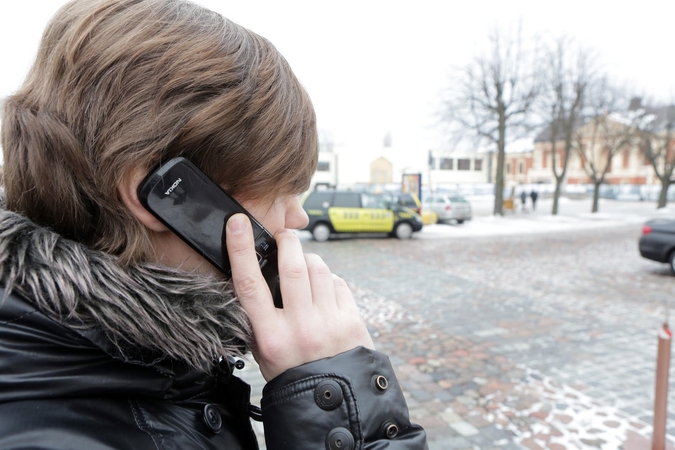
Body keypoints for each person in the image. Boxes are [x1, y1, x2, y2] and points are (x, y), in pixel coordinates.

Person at [0, 1, 428, 448]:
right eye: (280, 190)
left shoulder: (152, 356)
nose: (299, 215)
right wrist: (336, 404)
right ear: (164, 193)